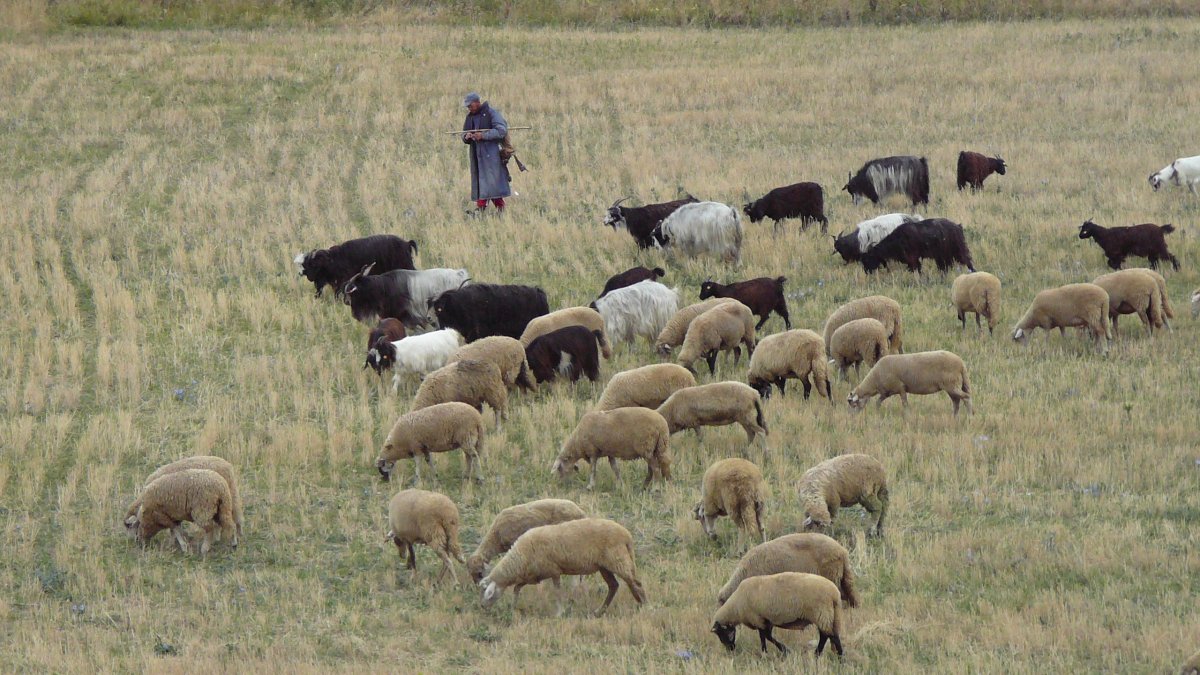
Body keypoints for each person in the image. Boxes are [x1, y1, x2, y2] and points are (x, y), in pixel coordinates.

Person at [461, 92, 511, 213]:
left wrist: (483, 135)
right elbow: (463, 133)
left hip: (491, 155)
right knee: (483, 181)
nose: (469, 108)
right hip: (477, 156)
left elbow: (501, 131)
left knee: (491, 182)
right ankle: (484, 208)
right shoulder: (470, 117)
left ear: (477, 102)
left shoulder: (491, 113)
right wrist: (466, 136)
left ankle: (490, 208)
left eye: (470, 105)